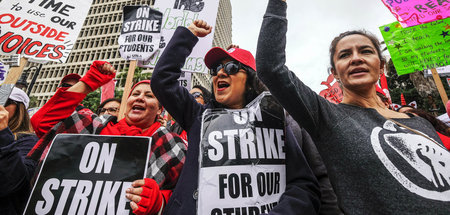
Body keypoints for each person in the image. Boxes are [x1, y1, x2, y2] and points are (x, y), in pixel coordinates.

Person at [256, 0, 450, 213]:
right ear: (335, 72)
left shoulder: (420, 122)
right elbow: (270, 68)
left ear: (381, 65)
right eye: (345, 55)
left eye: (365, 51)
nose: (356, 59)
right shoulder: (327, 118)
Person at [140, 20, 320, 214]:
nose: (221, 73)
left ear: (251, 81)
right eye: (215, 69)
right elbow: (162, 81)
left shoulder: (273, 124)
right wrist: (187, 36)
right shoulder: (198, 117)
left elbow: (304, 187)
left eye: (232, 68)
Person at [28, 61, 187, 215]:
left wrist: (160, 202)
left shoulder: (171, 143)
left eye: (149, 96)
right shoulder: (94, 125)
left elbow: (189, 191)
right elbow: (42, 122)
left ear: (159, 110)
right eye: (135, 94)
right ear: (127, 104)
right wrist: (90, 81)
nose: (139, 98)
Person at [0, 87, 39, 214]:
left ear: (19, 109)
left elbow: (16, 181)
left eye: (5, 101)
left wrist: (3, 135)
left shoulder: (29, 141)